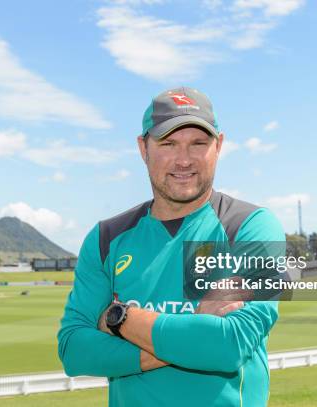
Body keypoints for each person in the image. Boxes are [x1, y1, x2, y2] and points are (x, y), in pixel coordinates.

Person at [57, 87, 285, 406]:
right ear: (143, 148)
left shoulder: (251, 227)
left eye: (198, 143)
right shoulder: (106, 237)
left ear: (218, 146)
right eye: (168, 143)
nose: (183, 160)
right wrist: (193, 331)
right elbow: (74, 351)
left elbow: (228, 346)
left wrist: (118, 319)